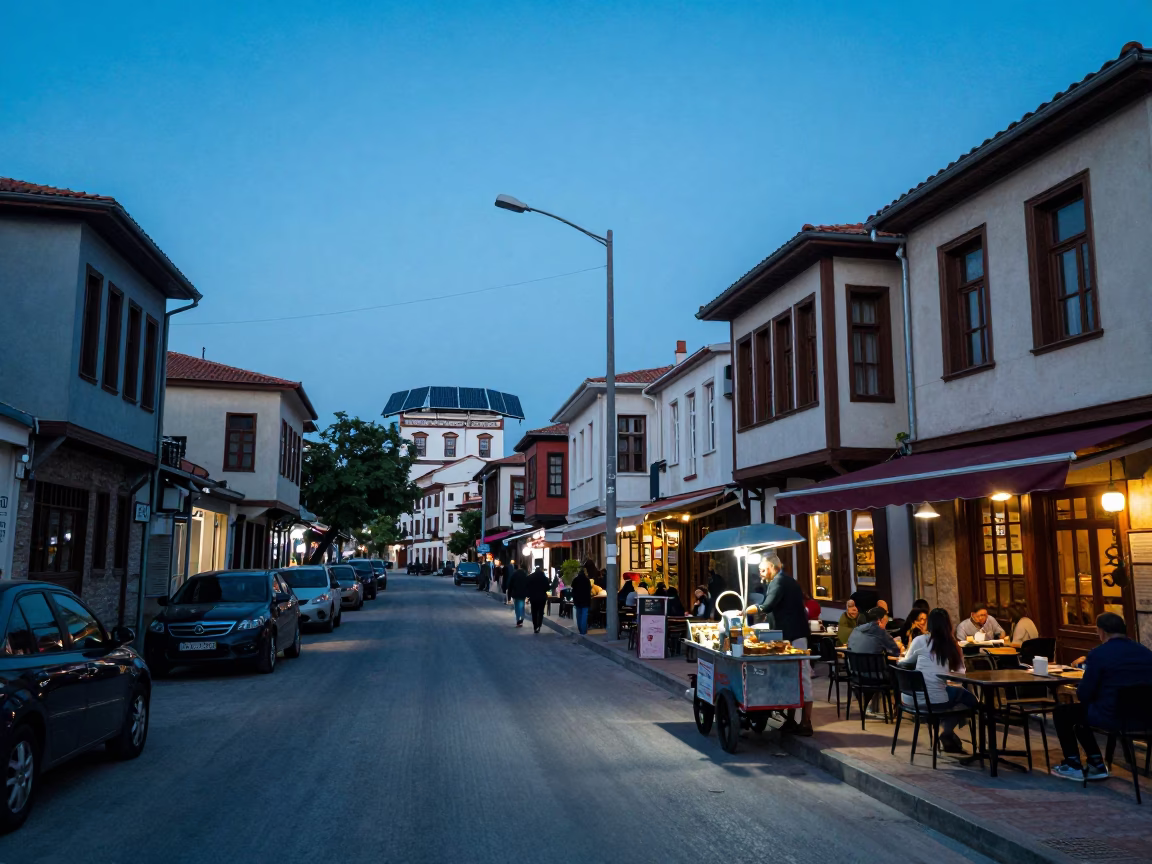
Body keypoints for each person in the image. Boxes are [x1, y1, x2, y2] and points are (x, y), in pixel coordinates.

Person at [1051, 612, 1152, 780]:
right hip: (1146, 718)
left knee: (1063, 712)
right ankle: (1095, 762)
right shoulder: (1146, 653)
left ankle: (1073, 764)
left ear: (1102, 632)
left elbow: (1084, 694)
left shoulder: (1099, 654)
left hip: (1112, 715)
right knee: (1081, 714)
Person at [746, 553, 813, 736]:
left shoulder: (779, 581)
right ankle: (791, 720)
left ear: (772, 567)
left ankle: (806, 722)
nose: (760, 573)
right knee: (788, 677)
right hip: (787, 635)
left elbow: (766, 605)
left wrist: (747, 610)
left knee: (801, 676)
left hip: (794, 635)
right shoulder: (781, 581)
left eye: (762, 569)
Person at [898, 608, 978, 754]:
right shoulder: (953, 645)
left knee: (954, 695)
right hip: (935, 700)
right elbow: (960, 674)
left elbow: (904, 663)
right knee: (970, 700)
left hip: (909, 698)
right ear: (949, 624)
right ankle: (946, 731)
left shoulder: (919, 640)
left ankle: (947, 732)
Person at [572, 561, 594, 636]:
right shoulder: (587, 580)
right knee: (584, 615)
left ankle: (580, 629)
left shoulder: (575, 580)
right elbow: (589, 589)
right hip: (586, 600)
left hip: (577, 600)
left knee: (579, 615)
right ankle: (583, 630)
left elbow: (573, 589)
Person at [527, 562, 550, 633]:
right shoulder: (544, 578)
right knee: (541, 611)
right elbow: (547, 588)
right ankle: (539, 625)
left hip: (533, 597)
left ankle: (535, 626)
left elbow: (527, 587)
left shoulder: (530, 577)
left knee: (534, 612)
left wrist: (528, 595)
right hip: (542, 597)